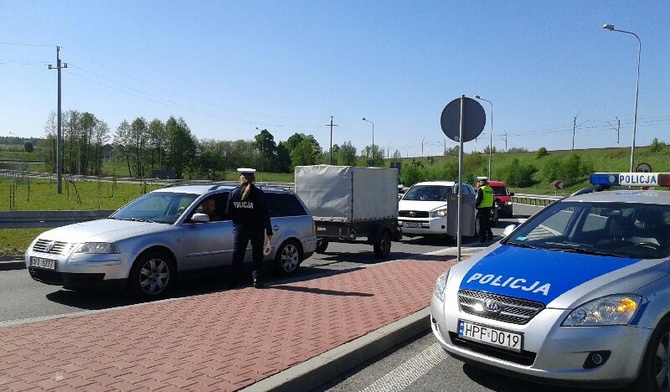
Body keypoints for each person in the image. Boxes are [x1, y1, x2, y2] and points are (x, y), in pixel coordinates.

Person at [225, 168, 273, 289]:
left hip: (240, 229)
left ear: (241, 178)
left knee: (238, 255)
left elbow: (228, 212)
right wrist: (269, 231)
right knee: (257, 256)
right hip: (257, 229)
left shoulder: (234, 193)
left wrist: (237, 221)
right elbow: (265, 214)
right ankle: (257, 279)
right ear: (253, 179)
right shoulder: (259, 194)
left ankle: (233, 281)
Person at [475, 177, 494, 243]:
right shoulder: (490, 189)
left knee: (482, 224)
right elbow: (492, 199)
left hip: (482, 208)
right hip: (488, 208)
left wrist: (475, 206)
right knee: (487, 223)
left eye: (479, 182)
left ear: (481, 182)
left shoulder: (481, 189)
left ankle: (483, 238)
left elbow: (479, 199)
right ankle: (490, 236)